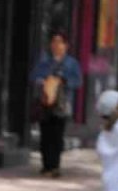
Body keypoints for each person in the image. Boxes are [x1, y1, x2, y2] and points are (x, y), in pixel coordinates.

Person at [30, 30, 83, 178]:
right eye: (54, 42)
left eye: (60, 42)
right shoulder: (44, 62)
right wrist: (43, 80)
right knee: (45, 135)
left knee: (57, 135)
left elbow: (78, 81)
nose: (56, 45)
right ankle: (46, 165)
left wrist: (64, 80)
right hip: (46, 103)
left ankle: (55, 166)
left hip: (62, 104)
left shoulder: (71, 63)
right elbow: (34, 76)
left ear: (66, 45)